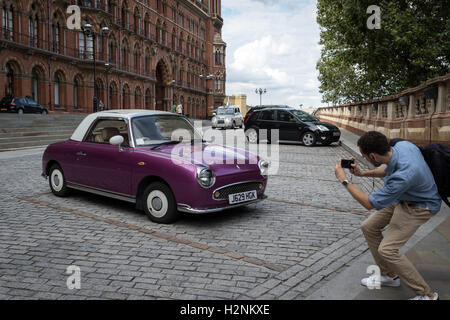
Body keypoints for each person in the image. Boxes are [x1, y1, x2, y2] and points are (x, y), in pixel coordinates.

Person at [334, 131, 441, 300]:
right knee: (368, 227)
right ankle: (389, 275)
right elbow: (386, 169)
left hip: (420, 205)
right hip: (404, 196)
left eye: (364, 156)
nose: (364, 158)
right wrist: (361, 173)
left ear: (373, 156)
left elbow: (368, 203)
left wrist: (344, 180)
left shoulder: (403, 176)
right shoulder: (401, 146)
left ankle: (427, 295)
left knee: (388, 250)